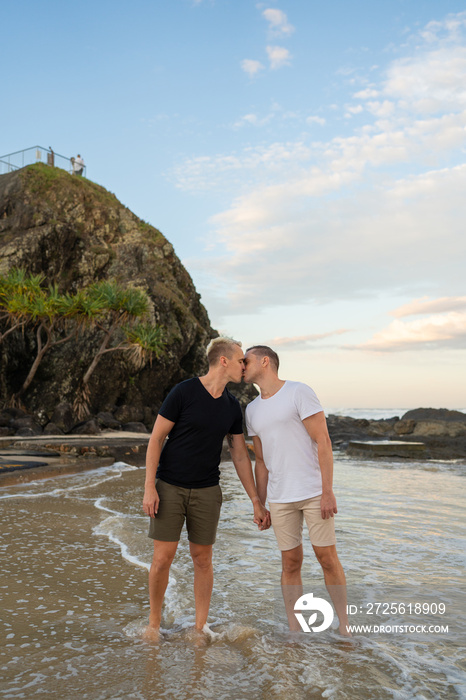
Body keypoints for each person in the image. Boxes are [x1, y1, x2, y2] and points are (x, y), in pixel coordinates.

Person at [142, 337, 270, 641]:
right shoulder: (184, 391)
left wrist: (256, 499)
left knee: (203, 558)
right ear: (223, 361)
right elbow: (156, 438)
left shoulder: (231, 406)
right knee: (163, 557)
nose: (245, 366)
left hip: (207, 490)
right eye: (241, 360)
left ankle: (200, 628)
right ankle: (153, 624)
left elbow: (239, 454)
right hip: (170, 485)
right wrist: (150, 486)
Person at [243, 345, 350, 636]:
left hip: (313, 491)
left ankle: (345, 626)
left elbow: (324, 441)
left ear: (265, 362)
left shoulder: (299, 392)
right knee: (290, 562)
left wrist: (327, 491)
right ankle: (296, 629)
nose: (242, 365)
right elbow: (261, 461)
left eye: (247, 360)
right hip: (279, 497)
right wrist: (261, 504)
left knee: (326, 557)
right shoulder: (251, 410)